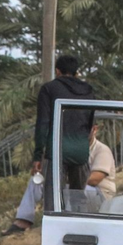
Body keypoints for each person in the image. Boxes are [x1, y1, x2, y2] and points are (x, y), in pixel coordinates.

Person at [23, 53, 95, 228]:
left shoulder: (49, 89)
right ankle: (78, 230)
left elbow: (43, 123)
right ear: (76, 72)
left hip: (56, 152)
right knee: (78, 198)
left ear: (57, 71)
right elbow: (90, 123)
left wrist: (38, 156)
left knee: (53, 201)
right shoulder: (89, 91)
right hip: (80, 151)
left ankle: (56, 232)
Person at [7, 124, 116, 233]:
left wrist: (63, 179)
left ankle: (66, 223)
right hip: (79, 189)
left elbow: (95, 179)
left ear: (94, 129)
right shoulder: (72, 150)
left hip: (100, 195)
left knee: (72, 190)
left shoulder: (102, 150)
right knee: (37, 181)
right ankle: (23, 221)